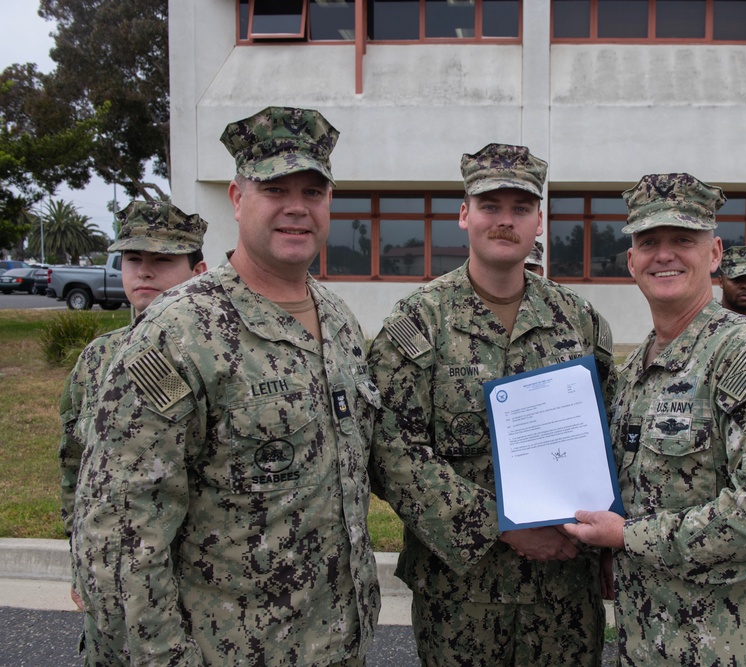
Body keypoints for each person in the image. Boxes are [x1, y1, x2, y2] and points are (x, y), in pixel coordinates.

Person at [73, 106, 381, 666]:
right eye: (275, 188)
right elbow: (119, 539)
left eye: (313, 191)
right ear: (238, 199)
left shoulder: (338, 320)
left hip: (335, 645)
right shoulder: (178, 333)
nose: (296, 207)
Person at [367, 143, 616, 666]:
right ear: (464, 215)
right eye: (490, 206)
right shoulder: (418, 323)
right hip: (462, 595)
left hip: (565, 591)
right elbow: (392, 454)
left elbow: (608, 437)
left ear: (540, 221)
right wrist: (501, 525)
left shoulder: (579, 321)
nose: (505, 221)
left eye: (521, 208)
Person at [563, 173, 746, 665]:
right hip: (646, 637)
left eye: (683, 239)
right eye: (649, 242)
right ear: (632, 260)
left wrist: (627, 538)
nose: (665, 255)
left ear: (716, 254)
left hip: (729, 644)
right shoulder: (639, 367)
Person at [58, 200, 208, 662]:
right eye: (132, 259)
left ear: (198, 270)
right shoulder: (98, 358)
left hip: (179, 589)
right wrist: (81, 560)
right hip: (110, 597)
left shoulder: (205, 356)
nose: (144, 272)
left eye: (162, 260)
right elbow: (73, 467)